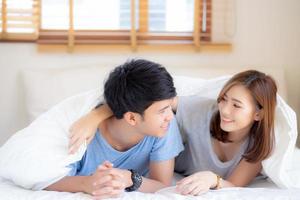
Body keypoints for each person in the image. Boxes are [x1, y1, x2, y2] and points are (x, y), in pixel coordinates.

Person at [68, 70, 277, 196]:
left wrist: (212, 179)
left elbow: (234, 186)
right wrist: (94, 117)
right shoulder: (201, 110)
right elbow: (144, 103)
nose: (224, 110)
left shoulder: (259, 144)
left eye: (236, 105)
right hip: (161, 160)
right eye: (223, 99)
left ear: (258, 114)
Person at [45, 59, 184, 199]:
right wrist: (86, 183)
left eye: (169, 108)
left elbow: (162, 185)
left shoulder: (163, 128)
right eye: (162, 111)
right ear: (131, 118)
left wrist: (130, 178)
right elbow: (44, 180)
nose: (170, 117)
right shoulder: (83, 133)